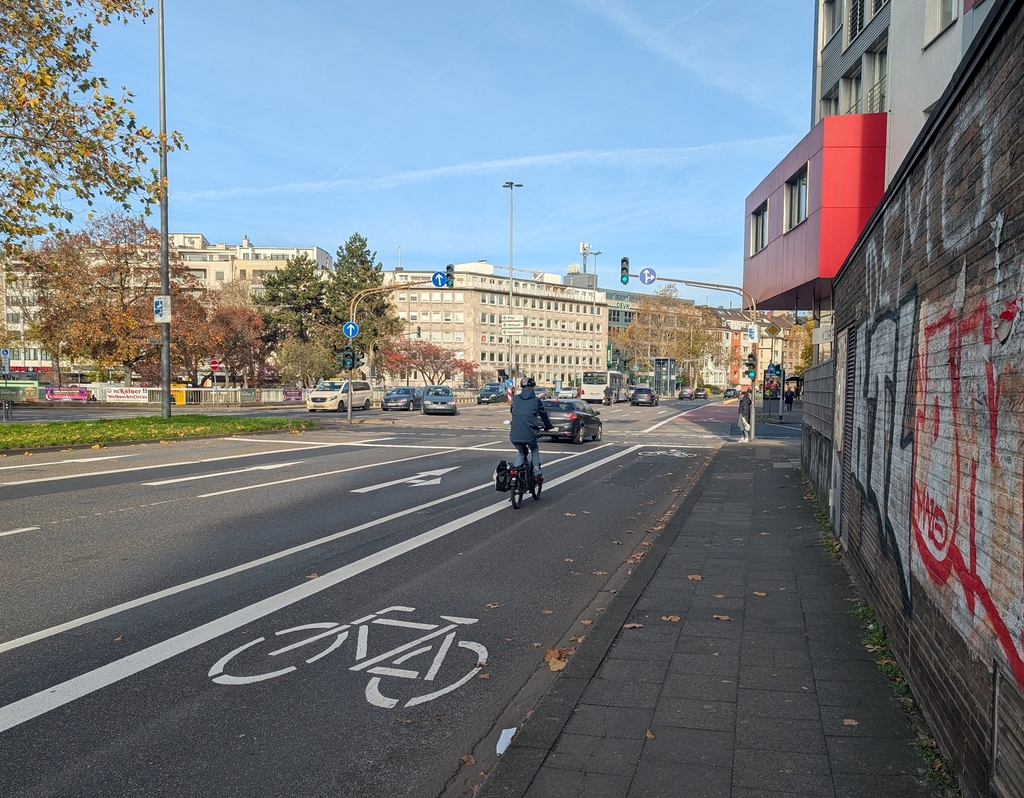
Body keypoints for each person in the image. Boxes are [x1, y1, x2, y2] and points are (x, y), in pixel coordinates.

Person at [509, 377, 552, 480]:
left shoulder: (516, 398)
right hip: (529, 434)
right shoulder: (536, 400)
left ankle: (515, 473)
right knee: (534, 449)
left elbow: (512, 410)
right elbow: (543, 415)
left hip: (514, 435)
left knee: (522, 452)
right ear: (533, 387)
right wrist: (548, 426)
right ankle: (537, 472)